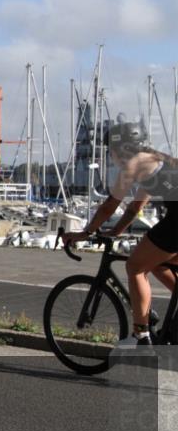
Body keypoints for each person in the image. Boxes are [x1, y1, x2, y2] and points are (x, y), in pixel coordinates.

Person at [63, 121, 178, 346]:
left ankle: (141, 334)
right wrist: (115, 231)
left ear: (118, 149)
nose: (109, 156)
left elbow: (109, 206)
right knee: (157, 263)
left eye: (109, 151)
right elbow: (135, 208)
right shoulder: (153, 161)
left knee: (135, 267)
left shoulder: (133, 165)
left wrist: (85, 233)